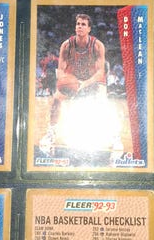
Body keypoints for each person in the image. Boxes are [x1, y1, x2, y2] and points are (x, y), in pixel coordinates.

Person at [40, 13, 106, 149]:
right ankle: (51, 133)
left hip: (92, 80)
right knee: (56, 99)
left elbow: (100, 72)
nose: (80, 26)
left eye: (83, 24)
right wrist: (65, 80)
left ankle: (113, 136)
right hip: (73, 78)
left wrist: (84, 84)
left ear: (89, 29)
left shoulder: (97, 45)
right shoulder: (66, 45)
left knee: (103, 103)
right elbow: (60, 70)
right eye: (78, 24)